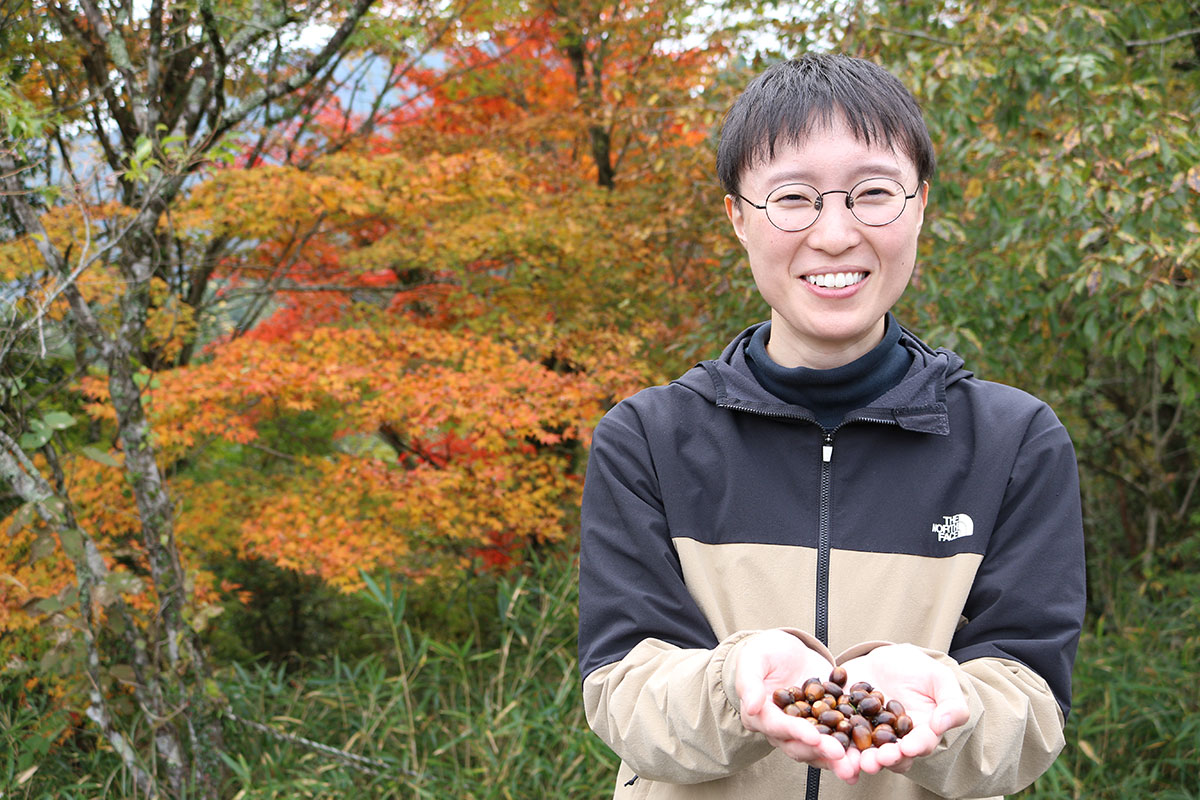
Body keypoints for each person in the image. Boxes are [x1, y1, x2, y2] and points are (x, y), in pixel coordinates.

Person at [576, 53, 1086, 800]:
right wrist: (737, 689)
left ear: (919, 205)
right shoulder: (648, 439)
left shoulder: (1014, 442)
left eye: (873, 192)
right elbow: (624, 695)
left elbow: (1030, 712)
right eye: (793, 198)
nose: (836, 233)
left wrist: (944, 710)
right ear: (738, 216)